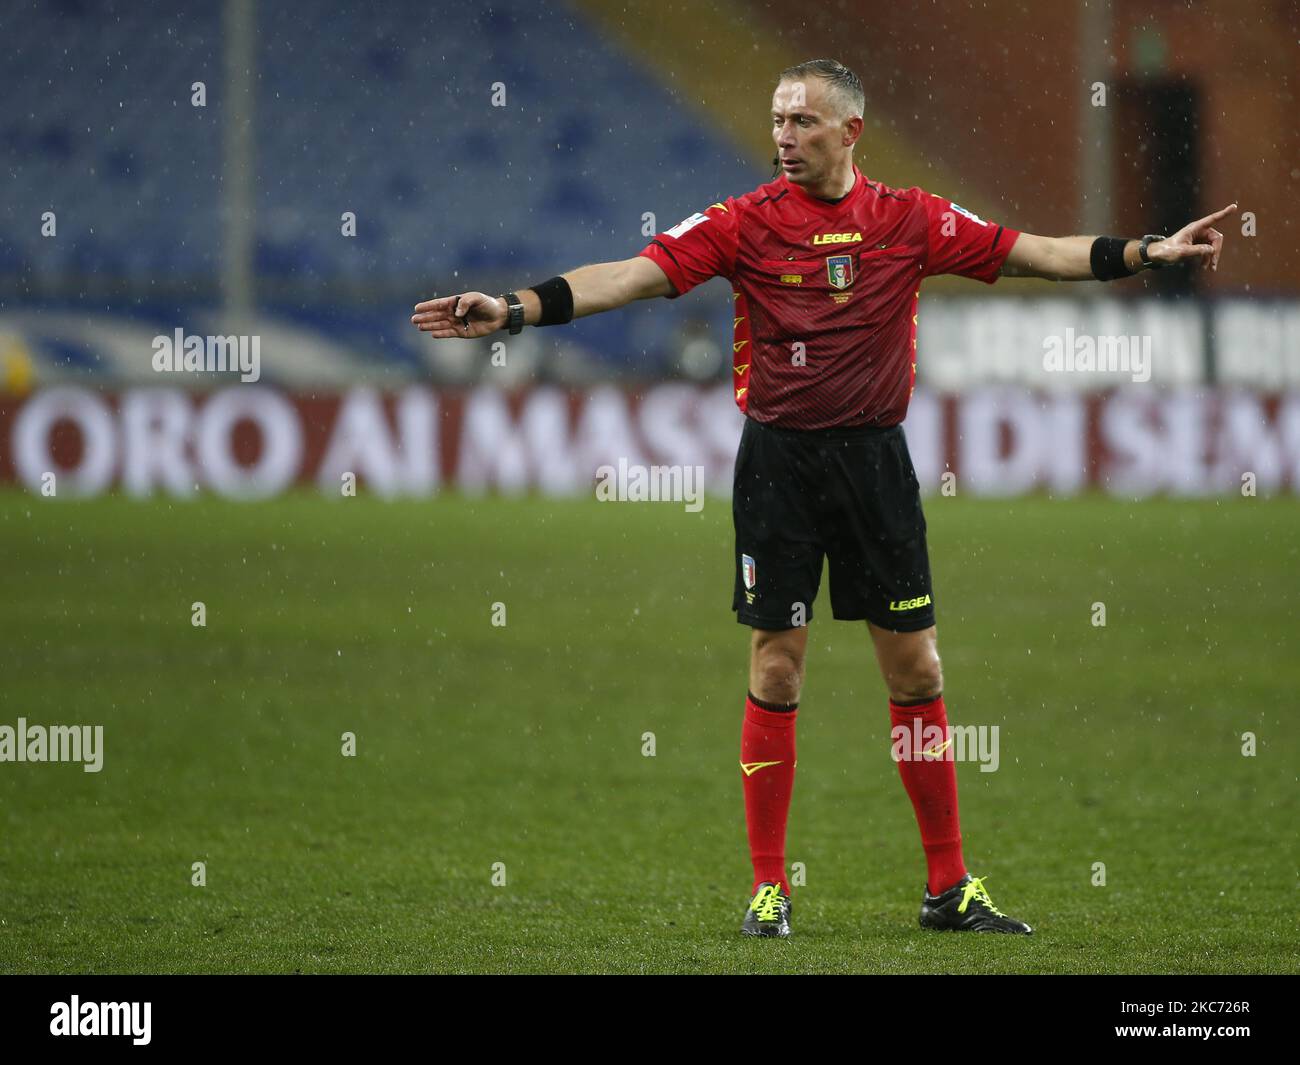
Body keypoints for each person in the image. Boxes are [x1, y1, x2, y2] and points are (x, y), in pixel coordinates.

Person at [412, 58, 1234, 938]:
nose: (783, 136)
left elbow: (1034, 253)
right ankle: (771, 886)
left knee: (916, 669)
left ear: (849, 132)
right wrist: (516, 308)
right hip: (779, 468)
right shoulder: (741, 223)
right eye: (776, 120)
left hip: (877, 467)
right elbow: (631, 275)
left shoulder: (910, 219)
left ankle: (949, 886)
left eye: (802, 121)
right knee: (777, 665)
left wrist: (1147, 250)